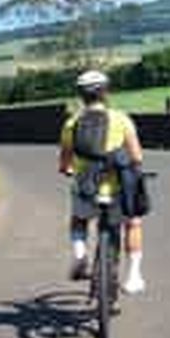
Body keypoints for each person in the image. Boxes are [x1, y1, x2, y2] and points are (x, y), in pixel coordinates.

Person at [58, 69, 147, 294]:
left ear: (81, 95)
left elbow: (65, 160)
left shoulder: (71, 124)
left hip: (87, 187)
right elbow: (137, 156)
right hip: (118, 188)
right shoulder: (121, 119)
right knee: (133, 222)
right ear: (106, 92)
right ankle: (134, 276)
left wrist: (67, 169)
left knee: (78, 219)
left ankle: (80, 254)